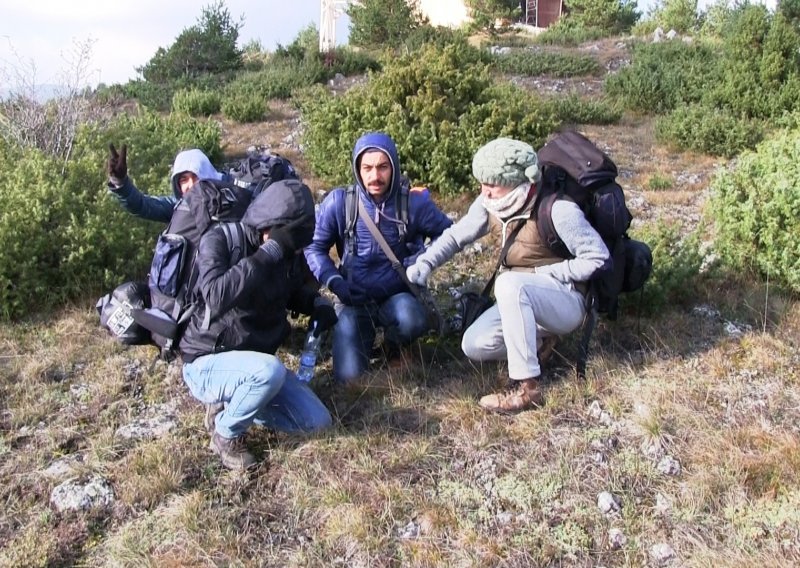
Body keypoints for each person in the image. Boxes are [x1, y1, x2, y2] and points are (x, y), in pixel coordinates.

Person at [405, 138, 610, 414]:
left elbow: (598, 258)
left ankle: (527, 389)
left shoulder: (558, 209)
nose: (484, 192)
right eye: (482, 183)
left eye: (492, 184)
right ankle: (539, 344)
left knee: (510, 283)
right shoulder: (492, 203)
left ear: (516, 181)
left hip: (565, 299)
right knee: (474, 345)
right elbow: (456, 237)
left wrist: (548, 271)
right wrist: (425, 263)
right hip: (518, 297)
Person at [180, 179, 338, 470]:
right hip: (206, 361)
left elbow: (291, 293)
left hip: (255, 365)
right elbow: (215, 296)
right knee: (269, 371)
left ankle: (235, 402)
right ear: (269, 221)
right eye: (288, 237)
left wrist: (316, 304)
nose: (292, 247)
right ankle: (225, 433)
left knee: (317, 422)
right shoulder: (220, 239)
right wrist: (267, 254)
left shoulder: (287, 252)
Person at [304, 132, 453, 384]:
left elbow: (449, 234)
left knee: (412, 319)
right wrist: (335, 283)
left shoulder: (412, 203)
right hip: (353, 298)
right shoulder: (340, 202)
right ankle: (363, 339)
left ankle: (394, 346)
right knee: (349, 380)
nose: (375, 176)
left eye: (383, 167)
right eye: (368, 168)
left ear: (393, 166)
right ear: (357, 169)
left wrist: (421, 260)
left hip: (397, 293)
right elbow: (314, 248)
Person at [106, 143, 230, 223]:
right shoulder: (178, 207)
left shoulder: (233, 197)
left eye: (196, 176)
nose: (191, 184)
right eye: (184, 179)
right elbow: (142, 205)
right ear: (178, 186)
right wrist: (120, 182)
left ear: (208, 174)